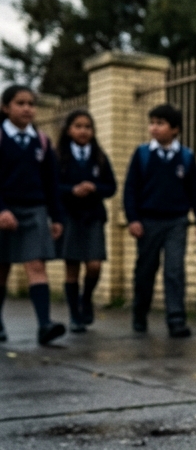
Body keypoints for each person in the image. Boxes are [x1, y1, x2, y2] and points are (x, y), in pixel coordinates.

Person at [123, 103, 196, 338]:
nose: (154, 128)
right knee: (146, 270)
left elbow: (195, 193)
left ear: (175, 129)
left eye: (160, 123)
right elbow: (131, 190)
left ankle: (176, 320)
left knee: (174, 270)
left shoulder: (186, 157)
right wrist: (133, 219)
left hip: (177, 222)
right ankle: (140, 313)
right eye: (152, 123)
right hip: (148, 222)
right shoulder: (142, 155)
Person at [0, 84, 66, 345]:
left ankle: (44, 325)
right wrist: (2, 209)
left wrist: (57, 216)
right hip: (5, 211)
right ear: (6, 108)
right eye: (20, 103)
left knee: (37, 265)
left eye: (31, 103)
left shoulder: (41, 141)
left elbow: (52, 183)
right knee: (1, 270)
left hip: (35, 210)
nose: (27, 108)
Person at [56, 109, 116, 333]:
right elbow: (52, 186)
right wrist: (72, 190)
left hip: (93, 217)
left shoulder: (99, 157)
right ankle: (75, 316)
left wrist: (95, 188)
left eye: (87, 127)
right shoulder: (59, 157)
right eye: (78, 126)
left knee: (94, 265)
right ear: (69, 130)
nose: (83, 131)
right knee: (72, 268)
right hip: (70, 217)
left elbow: (111, 187)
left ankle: (86, 298)